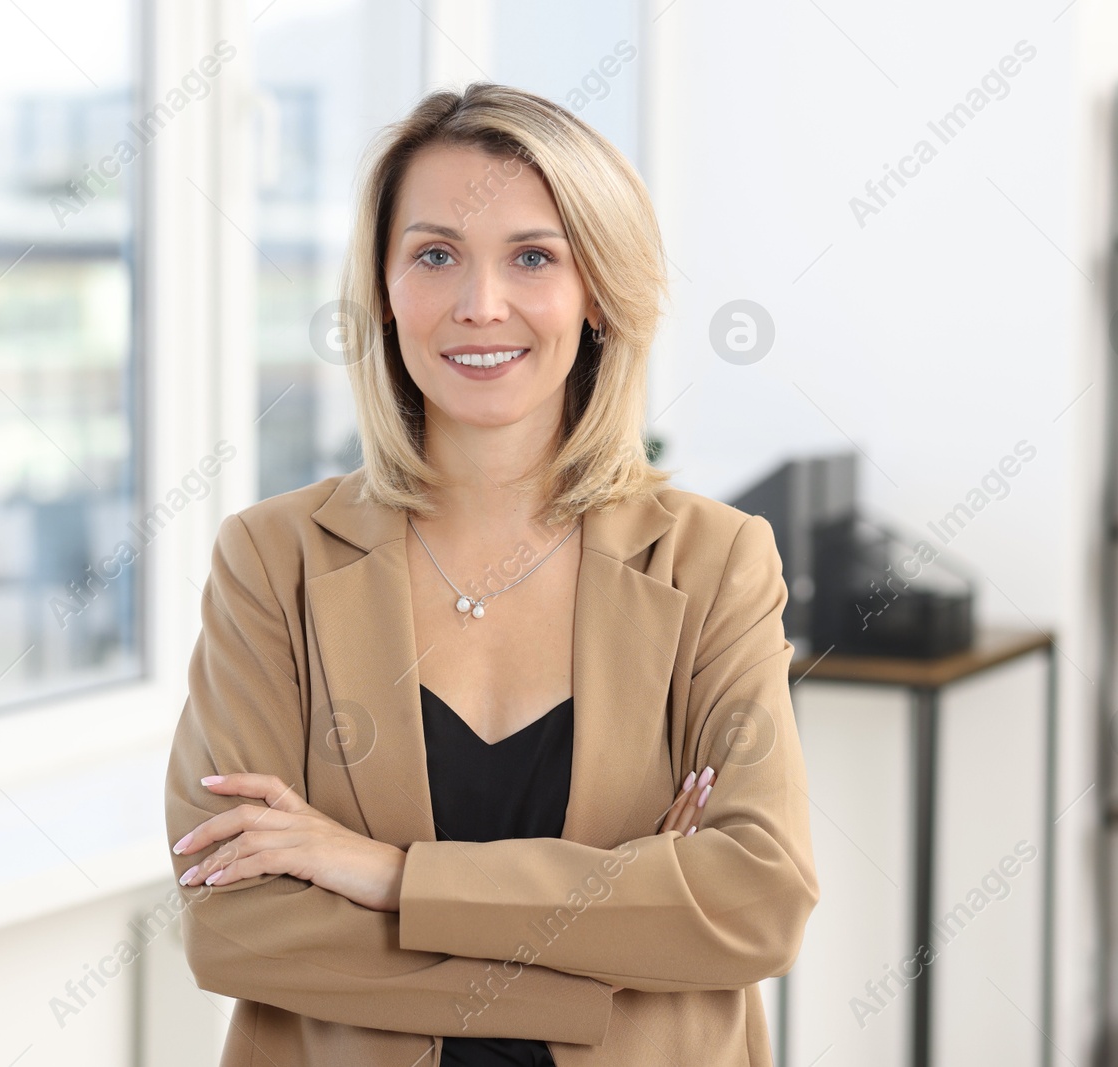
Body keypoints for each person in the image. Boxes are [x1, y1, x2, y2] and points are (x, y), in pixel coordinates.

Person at [164, 81, 818, 1067]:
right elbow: (236, 925)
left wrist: (390, 877)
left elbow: (754, 902)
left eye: (532, 256)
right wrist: (611, 939)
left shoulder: (713, 560)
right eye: (434, 255)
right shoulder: (274, 560)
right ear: (383, 289)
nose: (479, 305)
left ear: (596, 289)